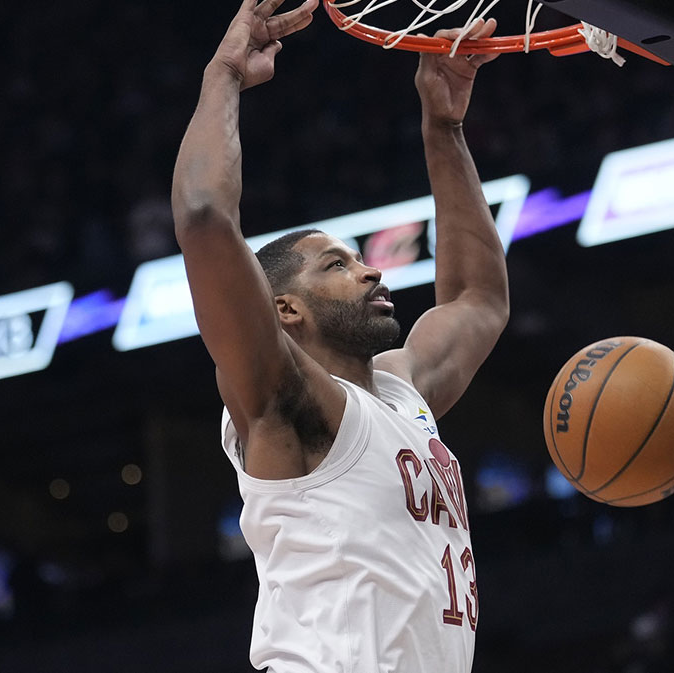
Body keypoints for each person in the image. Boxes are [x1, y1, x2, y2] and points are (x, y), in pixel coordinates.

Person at [171, 0, 507, 670]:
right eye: (337, 264)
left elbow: (479, 298)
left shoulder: (401, 392)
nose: (371, 268)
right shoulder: (287, 404)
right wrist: (225, 75)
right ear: (285, 311)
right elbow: (206, 217)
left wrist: (444, 128)